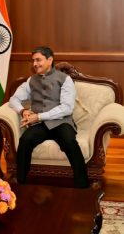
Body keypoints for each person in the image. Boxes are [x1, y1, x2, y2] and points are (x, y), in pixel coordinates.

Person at [9, 46, 89, 188]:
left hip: (61, 122)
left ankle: (82, 186)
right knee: (25, 140)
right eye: (33, 60)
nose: (35, 64)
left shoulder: (65, 79)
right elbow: (13, 99)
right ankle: (19, 183)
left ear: (50, 60)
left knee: (69, 141)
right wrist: (22, 111)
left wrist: (39, 116)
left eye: (38, 60)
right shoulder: (31, 81)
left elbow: (67, 108)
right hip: (39, 124)